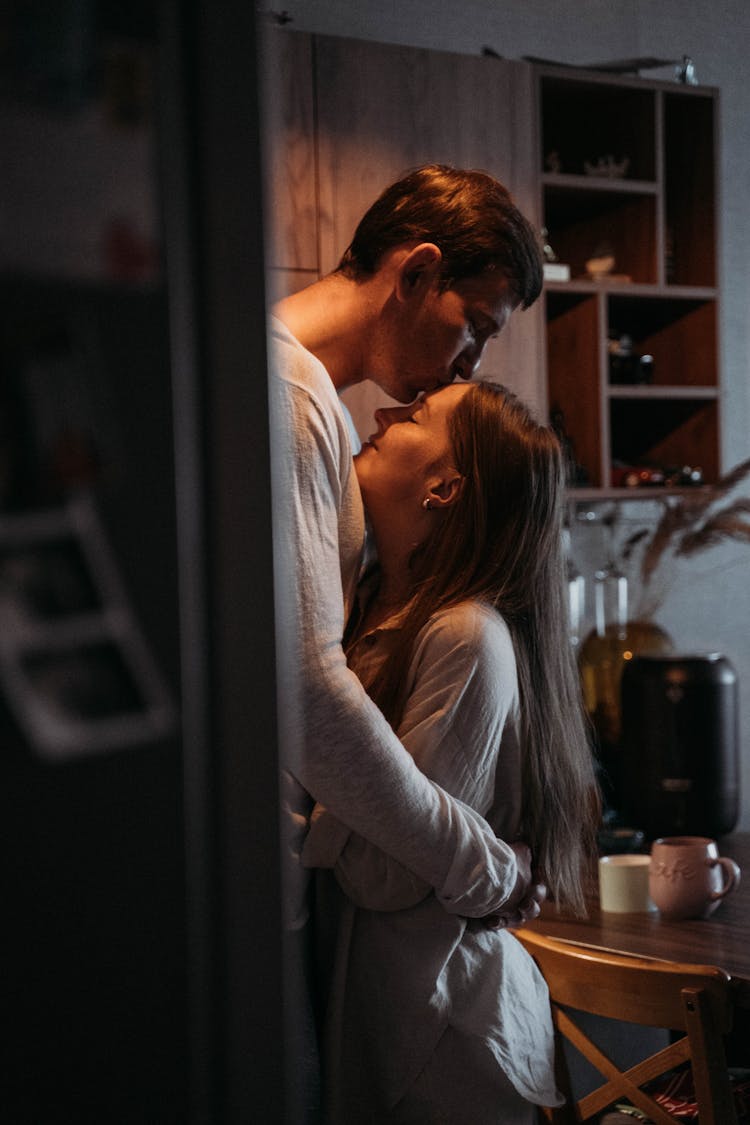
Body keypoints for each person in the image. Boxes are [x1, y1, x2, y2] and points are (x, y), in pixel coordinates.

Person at [269, 164, 545, 1114]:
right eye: (479, 323)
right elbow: (306, 688)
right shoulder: (292, 397)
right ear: (418, 272)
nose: (470, 361)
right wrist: (483, 863)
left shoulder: (310, 404)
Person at [302, 380, 599, 1123]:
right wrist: (489, 860)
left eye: (419, 415)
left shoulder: (465, 636)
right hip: (397, 1031)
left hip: (447, 1041)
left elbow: (382, 874)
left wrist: (316, 802)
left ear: (443, 486)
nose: (384, 414)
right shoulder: (370, 610)